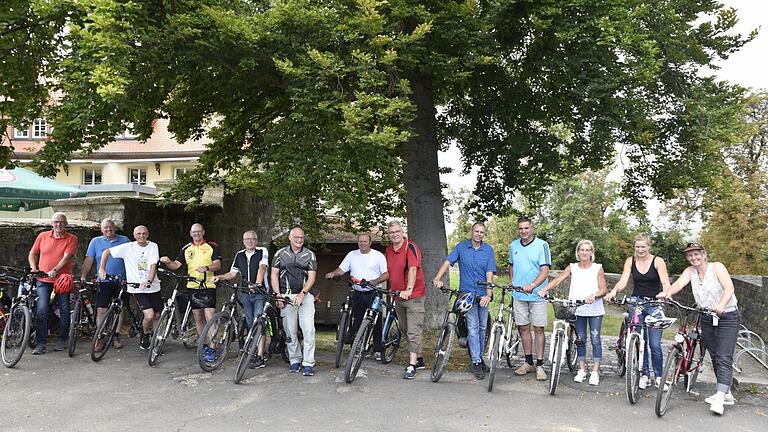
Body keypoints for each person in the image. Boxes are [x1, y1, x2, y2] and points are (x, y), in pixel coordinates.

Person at [658, 242, 740, 415]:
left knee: (724, 356)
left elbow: (729, 288)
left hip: (727, 316)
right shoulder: (690, 272)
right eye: (690, 255)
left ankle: (719, 397)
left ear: (704, 254)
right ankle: (727, 393)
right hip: (707, 317)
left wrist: (721, 305)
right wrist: (667, 294)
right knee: (716, 356)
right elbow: (678, 284)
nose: (693, 258)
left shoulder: (717, 267)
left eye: (696, 254)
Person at [605, 233, 671, 389]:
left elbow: (665, 281)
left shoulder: (657, 261)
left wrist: (665, 292)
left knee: (654, 344)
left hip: (654, 304)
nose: (640, 250)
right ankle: (645, 374)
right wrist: (614, 291)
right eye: (637, 247)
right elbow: (623, 280)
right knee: (640, 341)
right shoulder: (630, 261)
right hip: (636, 303)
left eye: (643, 247)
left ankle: (659, 376)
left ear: (649, 247)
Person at [537, 239, 607, 385]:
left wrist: (594, 295)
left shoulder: (597, 268)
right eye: (582, 249)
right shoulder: (572, 267)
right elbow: (558, 279)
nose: (584, 252)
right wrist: (544, 289)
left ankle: (595, 371)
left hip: (594, 310)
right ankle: (581, 369)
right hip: (577, 308)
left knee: (595, 339)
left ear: (591, 253)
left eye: (587, 250)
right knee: (580, 339)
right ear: (578, 252)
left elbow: (603, 289)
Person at [432, 222, 495, 380]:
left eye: (481, 232)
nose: (479, 234)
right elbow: (448, 262)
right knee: (473, 327)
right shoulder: (461, 247)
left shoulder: (488, 250)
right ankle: (475, 362)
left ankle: (479, 358)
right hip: (467, 295)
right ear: (471, 232)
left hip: (482, 295)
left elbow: (489, 273)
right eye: (476, 231)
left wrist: (488, 294)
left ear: (483, 234)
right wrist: (438, 278)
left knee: (482, 328)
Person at [370, 220, 427, 380]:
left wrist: (408, 290)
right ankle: (420, 358)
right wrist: (376, 281)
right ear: (389, 235)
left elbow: (413, 269)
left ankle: (412, 365)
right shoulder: (389, 250)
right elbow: (390, 271)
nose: (395, 234)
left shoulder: (411, 247)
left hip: (414, 296)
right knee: (403, 329)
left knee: (413, 330)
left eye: (397, 231)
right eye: (391, 232)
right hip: (397, 295)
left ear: (402, 232)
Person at [159, 223, 222, 360]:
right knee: (198, 317)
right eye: (194, 232)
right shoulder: (186, 248)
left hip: (208, 285)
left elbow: (218, 264)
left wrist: (207, 267)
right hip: (192, 286)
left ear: (203, 232)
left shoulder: (212, 246)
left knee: (209, 316)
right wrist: (168, 261)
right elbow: (176, 265)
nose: (197, 234)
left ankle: (212, 348)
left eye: (199, 231)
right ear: (190, 233)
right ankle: (204, 344)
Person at [325, 233, 388, 360]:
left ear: (370, 243)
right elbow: (341, 270)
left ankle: (377, 349)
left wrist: (375, 281)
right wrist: (333, 273)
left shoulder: (378, 256)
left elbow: (386, 274)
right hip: (358, 292)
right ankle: (358, 346)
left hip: (373, 291)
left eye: (365, 241)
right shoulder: (352, 255)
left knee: (375, 320)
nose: (362, 244)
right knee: (358, 320)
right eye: (360, 241)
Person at [212, 230, 269, 368]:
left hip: (259, 292)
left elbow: (262, 268)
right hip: (245, 293)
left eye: (252, 239)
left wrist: (257, 283)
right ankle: (253, 352)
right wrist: (219, 277)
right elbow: (232, 273)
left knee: (259, 321)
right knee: (250, 323)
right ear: (243, 241)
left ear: (256, 241)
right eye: (246, 239)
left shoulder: (262, 251)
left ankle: (261, 356)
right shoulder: (239, 255)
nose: (249, 241)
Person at [98, 226, 161, 350]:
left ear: (148, 234)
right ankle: (146, 335)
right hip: (137, 288)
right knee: (149, 315)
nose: (141, 236)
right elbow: (107, 252)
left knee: (157, 315)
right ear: (134, 235)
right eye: (138, 234)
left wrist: (148, 281)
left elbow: (153, 265)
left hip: (153, 286)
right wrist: (102, 268)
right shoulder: (128, 247)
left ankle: (157, 339)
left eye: (144, 233)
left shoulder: (153, 246)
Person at [27, 212, 77, 354]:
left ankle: (62, 339)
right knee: (41, 310)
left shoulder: (71, 238)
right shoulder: (42, 236)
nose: (58, 224)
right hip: (43, 280)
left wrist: (55, 270)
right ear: (52, 223)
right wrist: (34, 268)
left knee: (64, 309)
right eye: (56, 222)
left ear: (66, 224)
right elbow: (33, 253)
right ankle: (41, 343)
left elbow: (67, 257)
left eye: (61, 222)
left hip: (62, 280)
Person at [271, 227, 317, 376]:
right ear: (289, 237)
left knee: (308, 330)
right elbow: (274, 275)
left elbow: (312, 277)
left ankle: (308, 363)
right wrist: (278, 295)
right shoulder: (280, 254)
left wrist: (303, 294)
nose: (299, 240)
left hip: (305, 296)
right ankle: (295, 360)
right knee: (290, 331)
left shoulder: (309, 255)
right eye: (296, 237)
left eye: (302, 238)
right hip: (286, 296)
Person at [508, 216, 551, 381]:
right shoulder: (514, 245)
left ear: (532, 228)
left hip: (537, 294)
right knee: (523, 329)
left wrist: (533, 285)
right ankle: (528, 362)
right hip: (519, 294)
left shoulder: (542, 245)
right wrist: (512, 281)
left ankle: (540, 365)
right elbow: (511, 265)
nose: (523, 231)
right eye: (520, 228)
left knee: (538, 329)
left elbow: (545, 270)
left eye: (526, 228)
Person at [80, 219, 130, 349]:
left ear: (115, 228)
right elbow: (89, 259)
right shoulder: (95, 242)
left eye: (111, 227)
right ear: (101, 230)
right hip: (104, 281)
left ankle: (116, 335)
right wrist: (83, 276)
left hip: (121, 280)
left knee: (119, 308)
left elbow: (131, 258)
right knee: (101, 310)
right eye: (105, 228)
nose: (108, 229)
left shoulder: (125, 240)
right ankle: (100, 336)